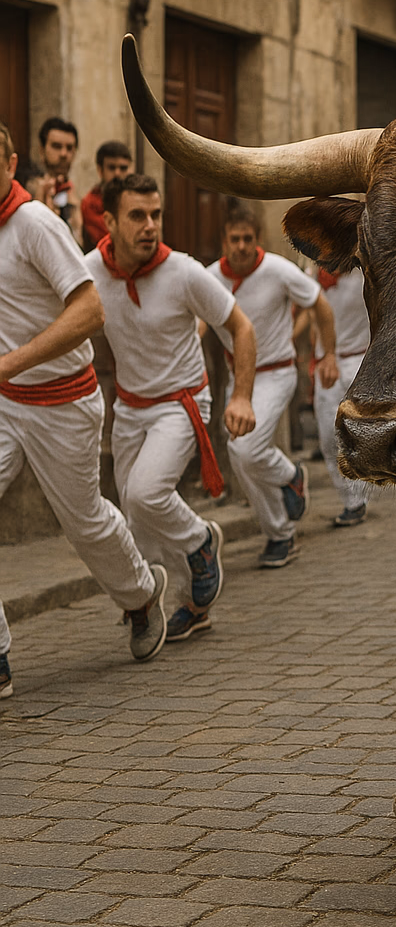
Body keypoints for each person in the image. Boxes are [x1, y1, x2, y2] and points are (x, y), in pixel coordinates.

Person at [0, 123, 171, 698]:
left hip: (63, 404)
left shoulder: (36, 225)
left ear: (12, 163)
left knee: (84, 521)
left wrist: (9, 364)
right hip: (4, 404)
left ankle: (142, 596)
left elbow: (89, 312)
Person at [85, 174, 258, 643]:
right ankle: (190, 603)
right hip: (130, 407)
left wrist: (240, 396)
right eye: (137, 216)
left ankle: (201, 541)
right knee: (136, 519)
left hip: (182, 403)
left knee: (145, 494)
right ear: (109, 222)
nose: (150, 226)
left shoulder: (183, 271)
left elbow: (240, 327)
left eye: (156, 215)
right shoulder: (89, 273)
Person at [208, 205, 338, 568]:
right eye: (234, 240)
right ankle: (282, 521)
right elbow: (197, 323)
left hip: (277, 372)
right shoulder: (208, 278)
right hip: (238, 379)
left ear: (258, 240)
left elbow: (320, 305)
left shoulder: (278, 270)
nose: (242, 246)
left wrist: (329, 356)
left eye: (248, 239)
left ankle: (287, 489)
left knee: (246, 451)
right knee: (241, 455)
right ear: (224, 242)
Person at [312, 263, 372, 526]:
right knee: (328, 436)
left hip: (360, 359)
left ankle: (358, 497)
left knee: (363, 432)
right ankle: (353, 501)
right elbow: (311, 313)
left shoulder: (364, 270)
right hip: (326, 362)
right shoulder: (310, 275)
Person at [25, 118, 82, 246]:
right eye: (56, 146)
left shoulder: (77, 197)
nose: (63, 153)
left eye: (69, 148)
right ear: (42, 150)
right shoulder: (25, 192)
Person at [80, 141, 133, 252]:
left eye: (123, 168)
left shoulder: (137, 199)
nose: (117, 173)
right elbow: (109, 237)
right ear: (100, 170)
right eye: (112, 168)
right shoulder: (90, 203)